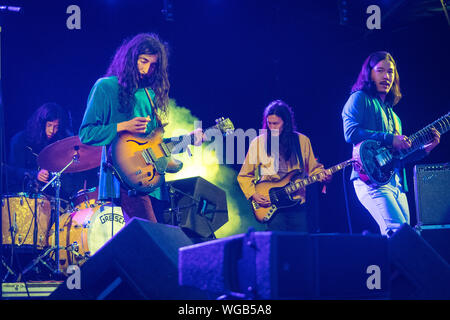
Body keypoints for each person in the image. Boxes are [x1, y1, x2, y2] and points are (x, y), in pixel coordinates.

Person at [79, 33, 203, 223]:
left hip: (153, 182)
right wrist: (123, 126)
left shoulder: (149, 94)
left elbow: (154, 146)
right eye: (143, 61)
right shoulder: (105, 87)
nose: (147, 70)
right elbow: (86, 134)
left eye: (153, 65)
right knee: (152, 245)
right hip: (124, 180)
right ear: (130, 58)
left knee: (152, 243)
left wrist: (187, 140)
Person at [341, 51, 440, 237]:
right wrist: (390, 138)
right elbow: (350, 132)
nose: (387, 76)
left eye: (391, 72)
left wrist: (426, 149)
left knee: (407, 237)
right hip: (370, 180)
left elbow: (399, 157)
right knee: (401, 236)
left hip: (395, 183)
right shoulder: (359, 98)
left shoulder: (395, 118)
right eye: (380, 70)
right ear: (369, 73)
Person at [237, 100, 330, 232]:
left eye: (276, 123)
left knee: (300, 245)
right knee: (278, 246)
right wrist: (253, 194)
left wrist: (323, 176)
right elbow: (244, 175)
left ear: (286, 123)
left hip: (298, 203)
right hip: (273, 206)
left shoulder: (302, 141)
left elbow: (314, 169)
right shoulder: (258, 143)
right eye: (269, 123)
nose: (272, 127)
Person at [7, 102, 73, 194]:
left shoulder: (56, 142)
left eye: (56, 127)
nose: (52, 131)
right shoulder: (20, 140)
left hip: (48, 196)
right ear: (41, 124)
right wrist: (35, 174)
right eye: (49, 125)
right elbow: (11, 171)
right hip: (22, 196)